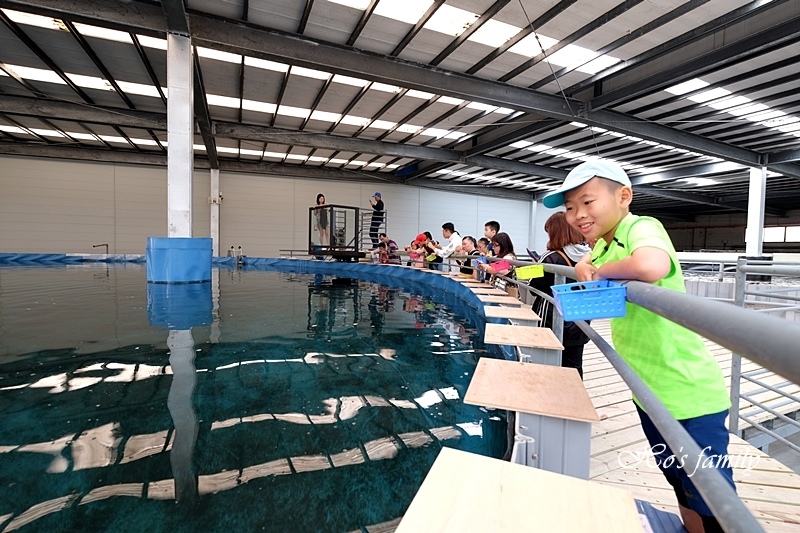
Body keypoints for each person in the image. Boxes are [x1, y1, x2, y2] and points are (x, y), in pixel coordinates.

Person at [544, 159, 733, 533]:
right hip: (648, 392)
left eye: (587, 202)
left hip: (689, 392)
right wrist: (588, 268)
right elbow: (586, 266)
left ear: (624, 197)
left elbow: (650, 265)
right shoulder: (603, 245)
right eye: (569, 207)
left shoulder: (640, 226)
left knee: (712, 497)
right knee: (680, 484)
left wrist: (601, 270)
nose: (577, 214)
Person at [528, 212, 592, 378]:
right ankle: (575, 399)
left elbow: (534, 287)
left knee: (549, 364)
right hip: (580, 318)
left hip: (553, 318)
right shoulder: (589, 255)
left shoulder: (550, 257)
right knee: (574, 365)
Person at [477, 232, 518, 297]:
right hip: (498, 289)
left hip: (507, 292)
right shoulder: (499, 257)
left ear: (503, 245)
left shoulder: (509, 257)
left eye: (495, 245)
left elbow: (499, 269)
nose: (493, 248)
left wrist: (486, 267)